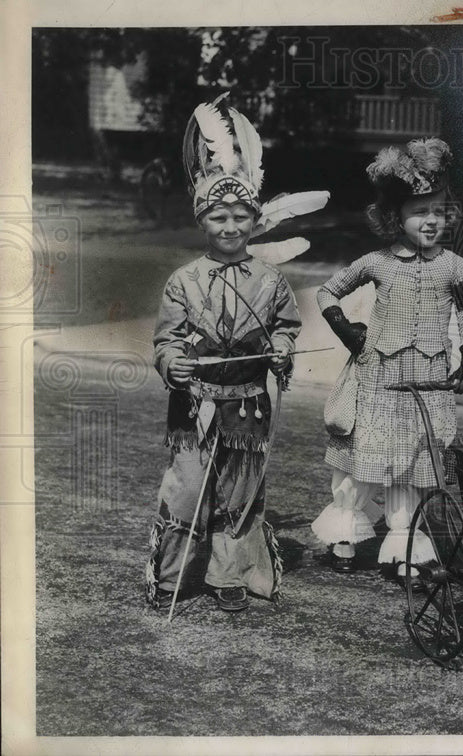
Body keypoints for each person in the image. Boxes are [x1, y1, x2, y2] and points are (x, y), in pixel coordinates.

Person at [144, 95, 304, 613]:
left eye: (240, 216)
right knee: (189, 490)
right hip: (195, 404)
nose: (230, 227)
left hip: (249, 406)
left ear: (255, 220)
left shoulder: (271, 281)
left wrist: (281, 351)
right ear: (202, 220)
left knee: (239, 492)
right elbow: (166, 340)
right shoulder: (183, 281)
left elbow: (286, 328)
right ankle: (171, 574)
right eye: (218, 216)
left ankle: (228, 575)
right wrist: (173, 363)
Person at [310, 138, 463, 584]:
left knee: (413, 466)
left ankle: (405, 547)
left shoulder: (455, 267)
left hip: (428, 382)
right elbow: (327, 291)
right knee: (366, 460)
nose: (431, 220)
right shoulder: (377, 263)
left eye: (438, 211)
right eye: (419, 211)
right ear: (394, 216)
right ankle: (345, 538)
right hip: (379, 379)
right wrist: (347, 330)